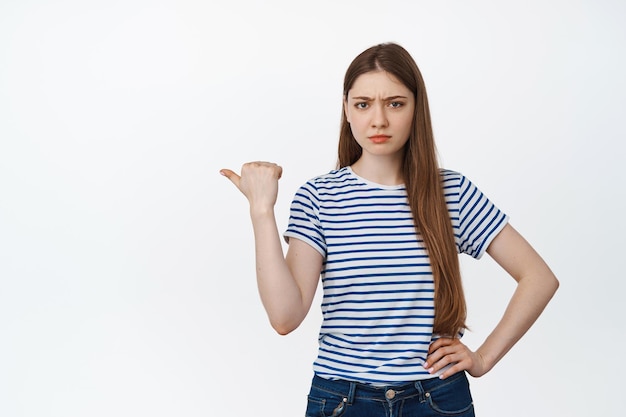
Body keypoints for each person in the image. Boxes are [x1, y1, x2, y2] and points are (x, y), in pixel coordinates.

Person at [220, 42, 558, 417]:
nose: (378, 120)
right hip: (343, 401)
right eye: (363, 104)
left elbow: (539, 277)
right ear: (346, 110)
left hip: (437, 399)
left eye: (395, 103)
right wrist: (262, 211)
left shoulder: (452, 193)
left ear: (416, 109)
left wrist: (482, 358)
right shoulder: (319, 197)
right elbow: (285, 318)